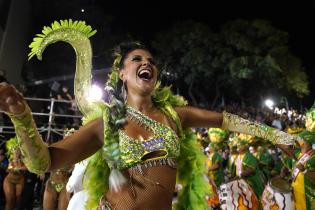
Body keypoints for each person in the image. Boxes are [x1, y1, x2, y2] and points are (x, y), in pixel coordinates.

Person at [0, 20, 298, 209]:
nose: (148, 63)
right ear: (122, 73)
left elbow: (224, 120)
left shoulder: (175, 115)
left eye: (152, 61)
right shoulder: (106, 122)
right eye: (138, 59)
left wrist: (276, 134)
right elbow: (45, 161)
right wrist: (21, 116)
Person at [291, 103, 315, 210]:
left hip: (310, 197)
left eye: (302, 142)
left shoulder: (313, 158)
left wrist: (304, 171)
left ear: (309, 143)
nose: (299, 144)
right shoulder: (298, 155)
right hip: (297, 193)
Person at [3, 137, 27, 210]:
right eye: (15, 149)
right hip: (9, 180)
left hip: (20, 180)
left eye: (18, 149)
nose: (17, 151)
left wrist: (19, 167)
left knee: (18, 198)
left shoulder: (25, 158)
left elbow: (27, 169)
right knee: (10, 200)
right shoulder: (11, 158)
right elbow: (8, 170)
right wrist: (15, 161)